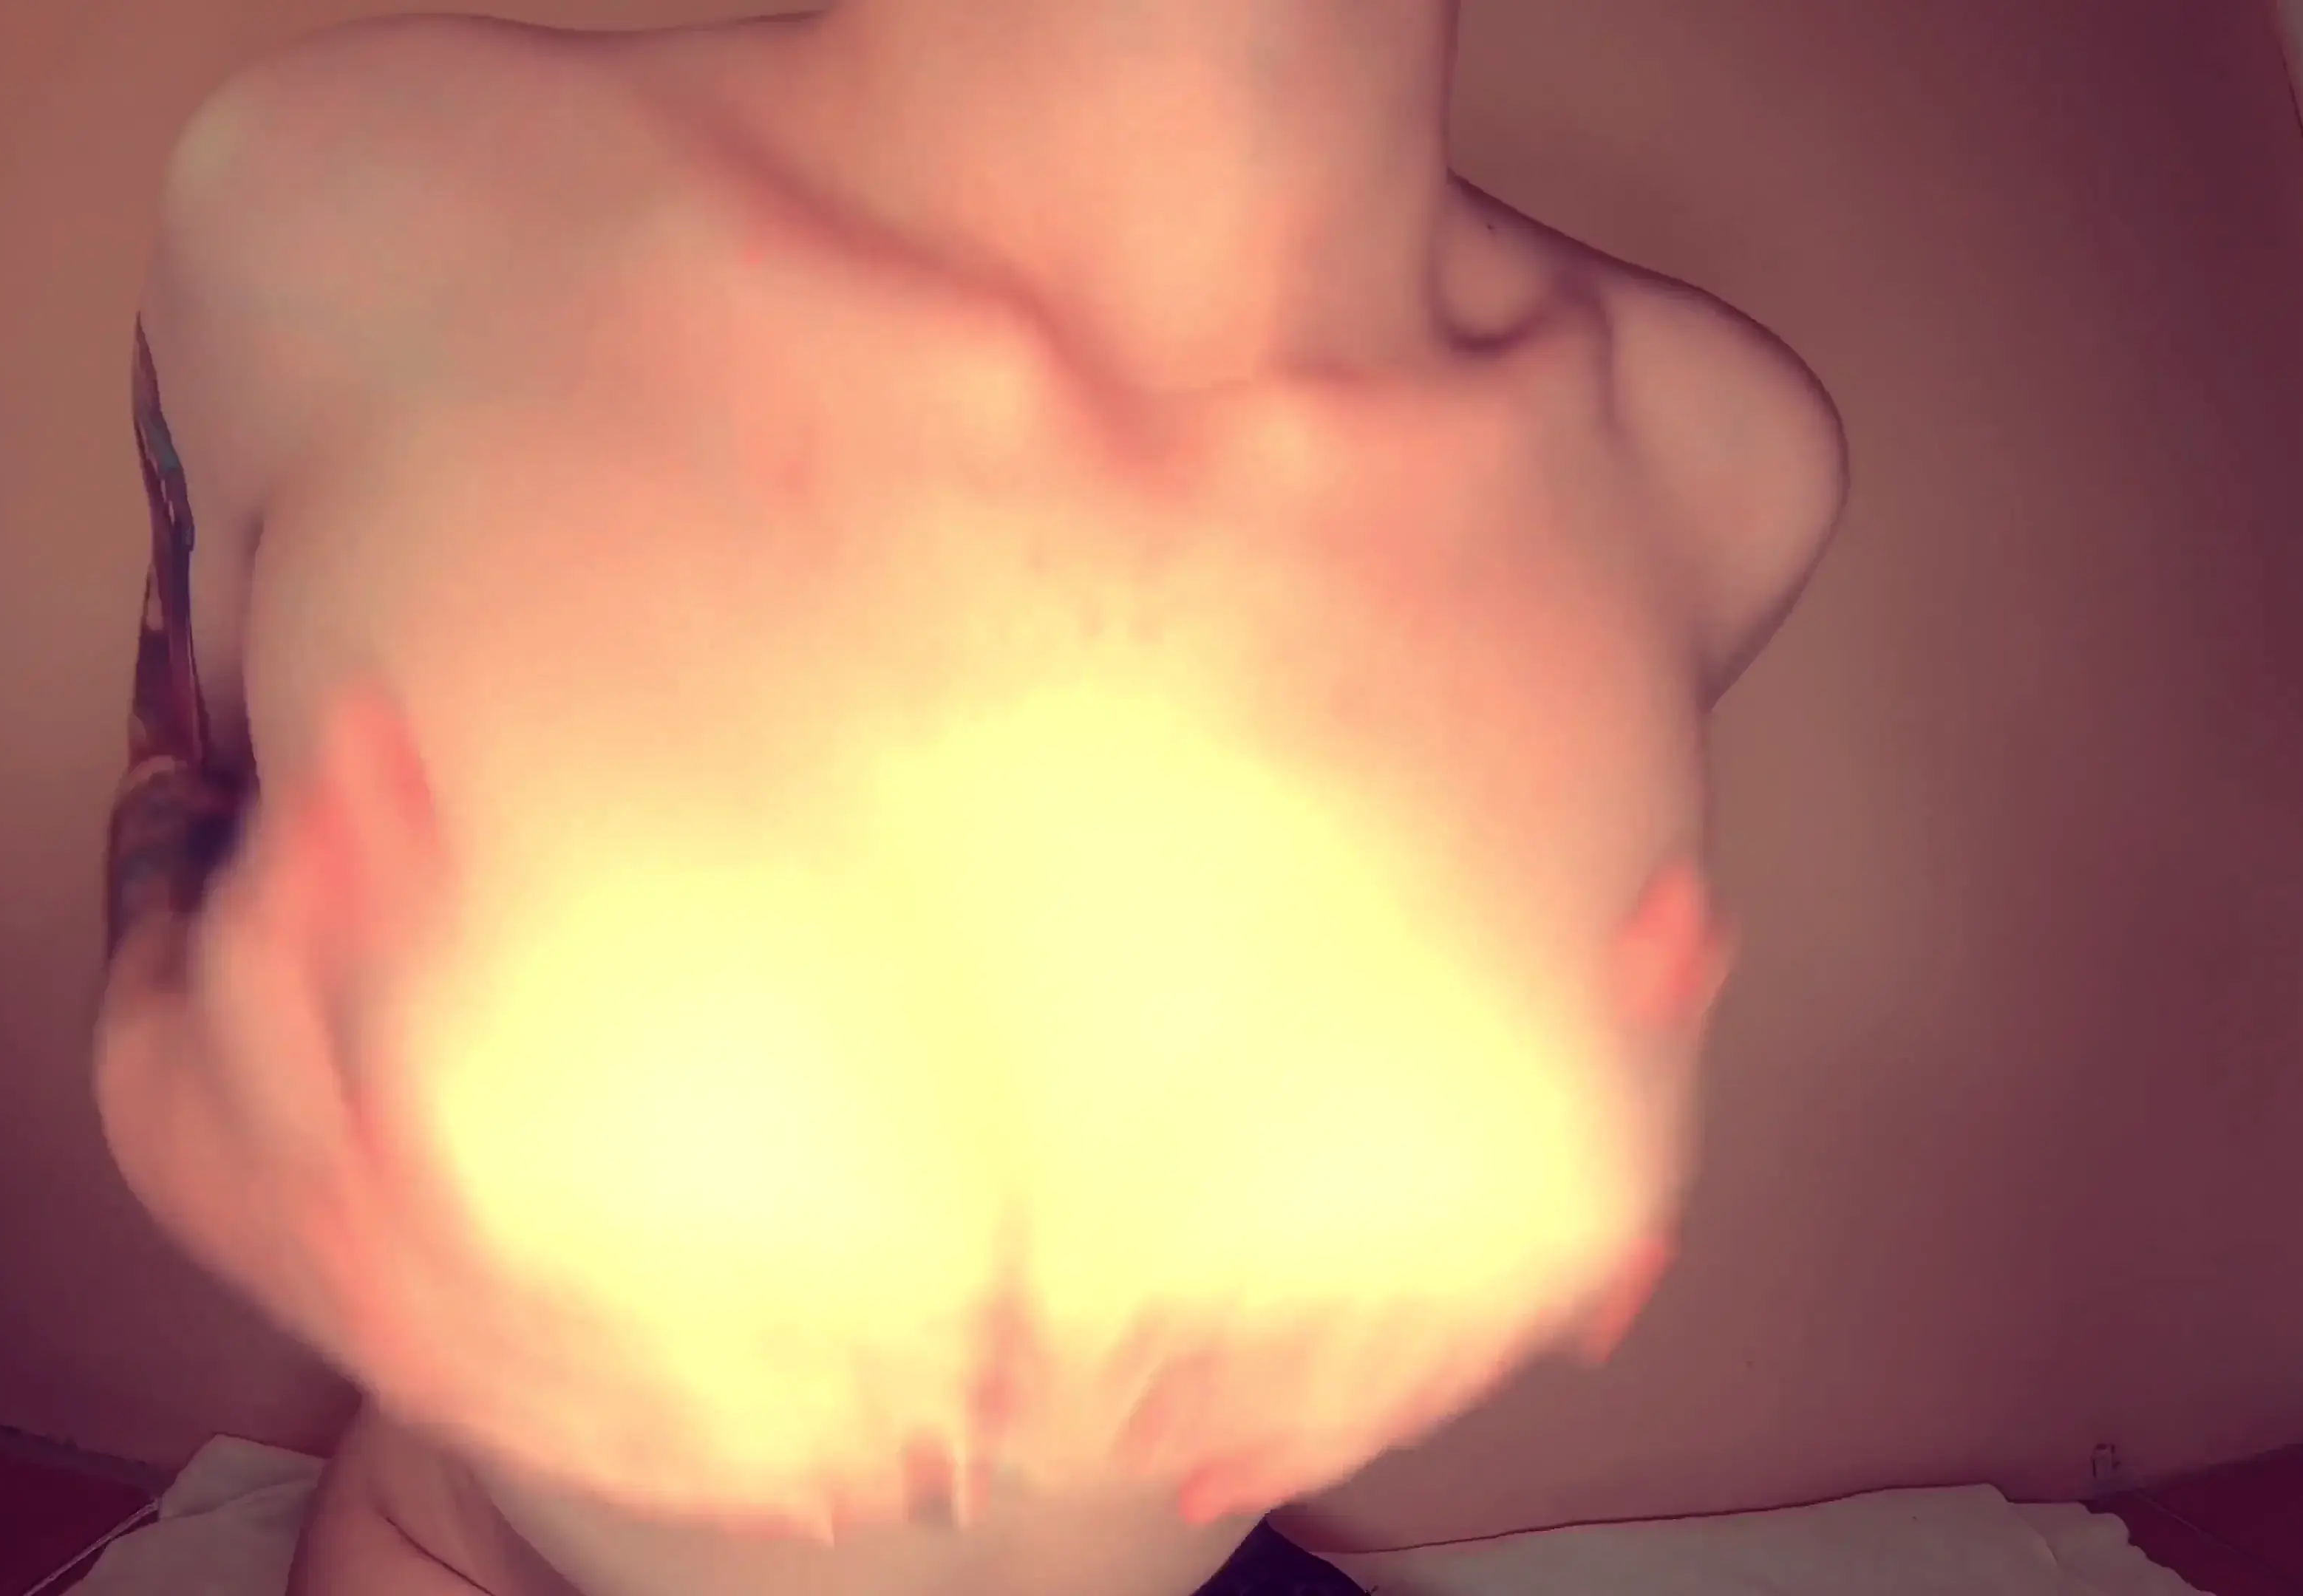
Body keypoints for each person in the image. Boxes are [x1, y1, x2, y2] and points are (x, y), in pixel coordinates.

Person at [90, 2, 1846, 1593]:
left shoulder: (1716, 463)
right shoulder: (352, 205)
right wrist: (181, 1103)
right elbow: (191, 791)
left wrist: (1527, 1159)